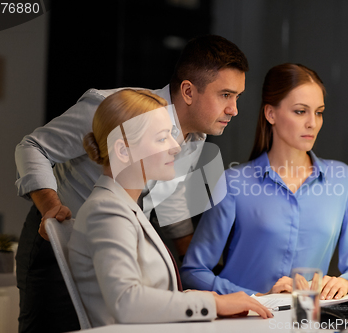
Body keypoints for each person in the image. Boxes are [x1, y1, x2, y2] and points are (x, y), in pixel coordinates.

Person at [14, 34, 248, 332]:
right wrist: (51, 207)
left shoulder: (194, 138)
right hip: (56, 236)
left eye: (237, 97)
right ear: (188, 91)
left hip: (119, 249)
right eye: (226, 95)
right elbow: (32, 147)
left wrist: (199, 263)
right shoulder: (114, 108)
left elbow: (169, 198)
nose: (234, 109)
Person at [68, 89, 272, 327]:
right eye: (162, 138)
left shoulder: (125, 208)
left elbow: (152, 294)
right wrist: (214, 305)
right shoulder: (107, 212)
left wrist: (214, 298)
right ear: (123, 151)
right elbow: (126, 302)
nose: (176, 146)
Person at [180, 63, 348, 300]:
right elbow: (193, 272)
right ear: (271, 114)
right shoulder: (234, 183)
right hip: (247, 323)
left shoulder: (342, 179)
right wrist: (258, 297)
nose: (312, 123)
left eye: (319, 112)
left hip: (307, 323)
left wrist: (345, 282)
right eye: (300, 111)